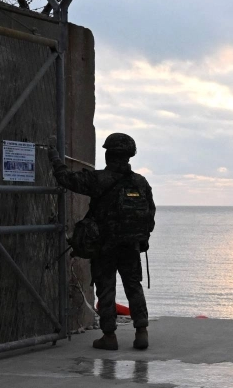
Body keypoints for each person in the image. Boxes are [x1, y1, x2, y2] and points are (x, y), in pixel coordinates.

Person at [47, 133, 156, 350]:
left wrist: (54, 159)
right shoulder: (140, 183)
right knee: (133, 286)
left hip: (104, 248)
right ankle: (141, 331)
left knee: (106, 289)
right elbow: (150, 215)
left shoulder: (99, 179)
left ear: (108, 154)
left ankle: (109, 336)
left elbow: (66, 179)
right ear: (129, 156)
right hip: (130, 247)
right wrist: (140, 239)